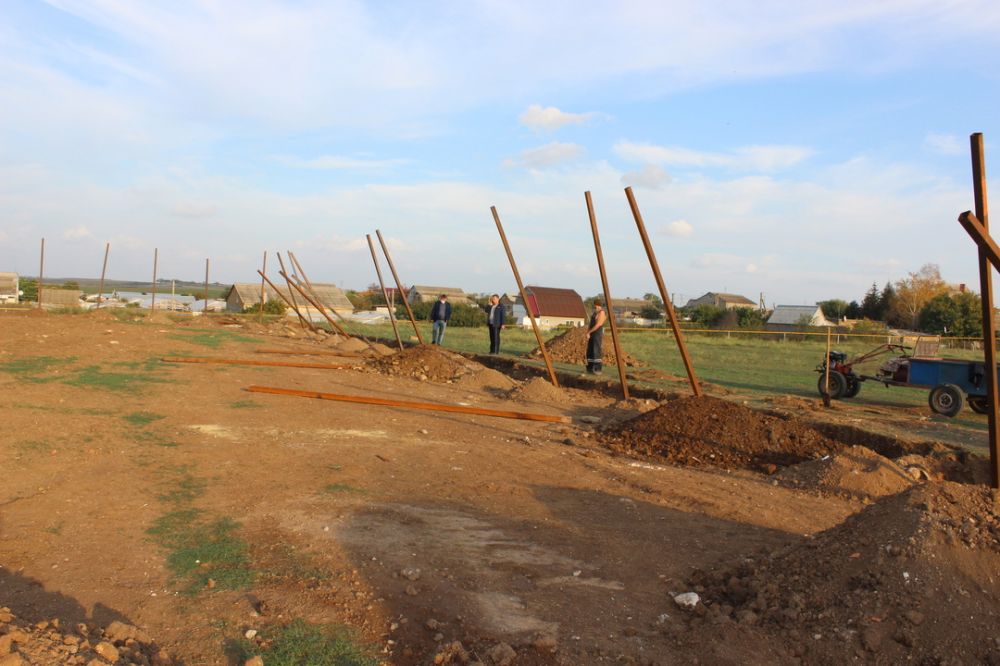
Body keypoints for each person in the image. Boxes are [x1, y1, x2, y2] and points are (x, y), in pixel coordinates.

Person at [586, 299, 607, 374]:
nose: (596, 307)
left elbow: (598, 324)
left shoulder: (602, 313)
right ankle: (590, 368)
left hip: (597, 333)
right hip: (591, 333)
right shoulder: (595, 313)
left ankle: (597, 369)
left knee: (596, 350)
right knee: (590, 350)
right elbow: (590, 324)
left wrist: (590, 332)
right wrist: (587, 332)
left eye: (597, 305)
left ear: (600, 305)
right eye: (595, 306)